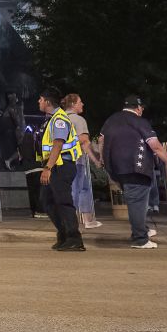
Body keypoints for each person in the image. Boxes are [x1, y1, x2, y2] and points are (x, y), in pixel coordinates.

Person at [100, 95, 167, 249]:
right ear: (138, 108)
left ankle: (141, 229)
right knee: (137, 204)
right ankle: (140, 239)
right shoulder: (140, 122)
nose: (142, 110)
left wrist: (102, 160)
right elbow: (155, 145)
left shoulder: (111, 120)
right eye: (142, 107)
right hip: (137, 169)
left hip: (116, 170)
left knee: (135, 201)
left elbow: (101, 141)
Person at [36, 89, 84, 251]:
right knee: (47, 201)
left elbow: (58, 144)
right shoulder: (49, 120)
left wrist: (48, 167)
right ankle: (64, 234)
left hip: (61, 165)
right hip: (53, 165)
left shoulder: (59, 119)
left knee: (63, 202)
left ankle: (74, 238)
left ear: (48, 102)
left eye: (41, 99)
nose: (39, 102)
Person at [62, 94, 102, 230]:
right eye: (80, 102)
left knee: (85, 189)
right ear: (73, 104)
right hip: (76, 161)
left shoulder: (59, 118)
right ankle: (70, 224)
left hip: (62, 161)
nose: (82, 104)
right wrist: (96, 160)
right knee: (75, 191)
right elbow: (84, 142)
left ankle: (88, 220)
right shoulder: (79, 120)